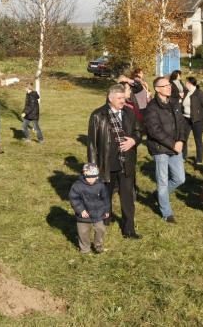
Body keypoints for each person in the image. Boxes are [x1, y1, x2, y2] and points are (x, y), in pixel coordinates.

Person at [87, 83, 141, 239]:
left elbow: (139, 131)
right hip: (107, 164)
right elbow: (92, 144)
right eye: (119, 98)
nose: (123, 101)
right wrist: (92, 169)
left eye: (124, 97)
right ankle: (105, 219)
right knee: (105, 196)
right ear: (110, 99)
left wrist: (133, 141)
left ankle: (129, 229)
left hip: (126, 163)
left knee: (127, 199)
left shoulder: (129, 113)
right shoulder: (98, 115)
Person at [144, 76, 186, 223]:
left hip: (176, 146)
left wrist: (180, 140)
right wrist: (172, 144)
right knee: (162, 182)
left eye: (169, 85)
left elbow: (181, 123)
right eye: (165, 85)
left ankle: (160, 195)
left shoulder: (174, 103)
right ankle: (166, 213)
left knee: (180, 178)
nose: (169, 87)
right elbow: (154, 130)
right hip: (160, 148)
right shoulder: (151, 108)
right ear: (157, 89)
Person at [69, 163, 110, 254]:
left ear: (97, 176)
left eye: (93, 177)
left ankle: (98, 246)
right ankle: (85, 249)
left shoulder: (101, 185)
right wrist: (81, 210)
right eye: (88, 177)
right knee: (83, 232)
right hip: (83, 215)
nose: (91, 180)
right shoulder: (77, 186)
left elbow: (105, 199)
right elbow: (74, 198)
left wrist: (106, 210)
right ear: (84, 175)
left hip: (98, 213)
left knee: (101, 229)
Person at [182, 76, 203, 164]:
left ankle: (199, 159)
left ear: (190, 83)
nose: (185, 84)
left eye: (186, 82)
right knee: (183, 138)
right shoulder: (186, 92)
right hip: (185, 119)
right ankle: (183, 156)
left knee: (198, 139)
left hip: (197, 120)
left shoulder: (200, 94)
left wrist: (200, 115)